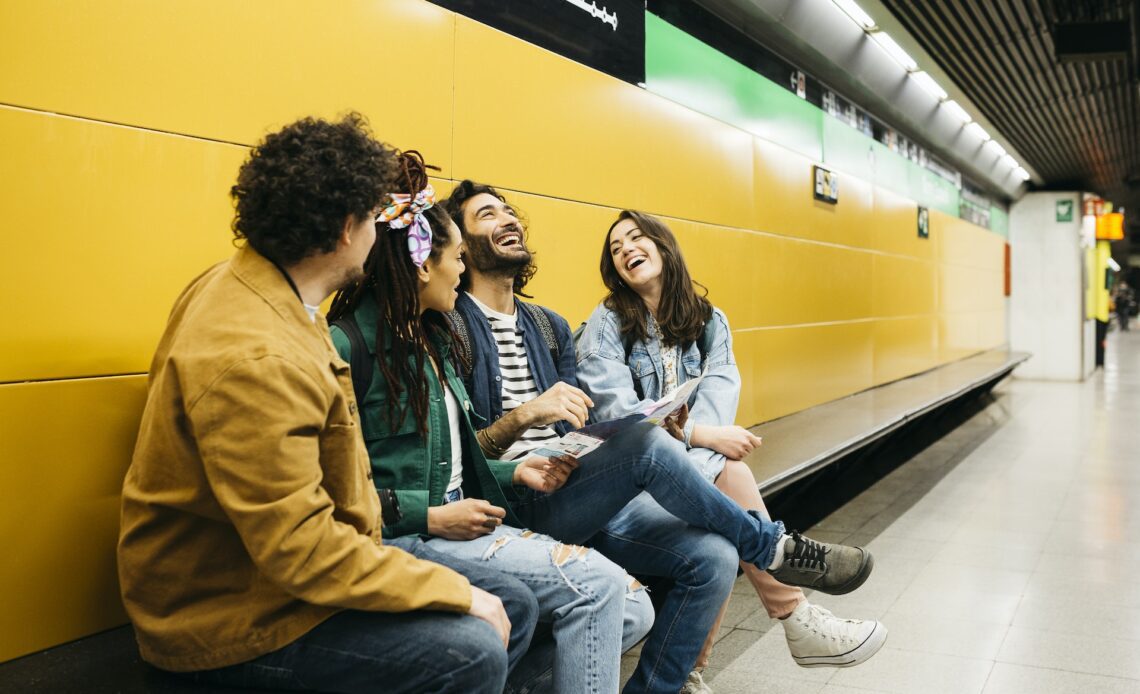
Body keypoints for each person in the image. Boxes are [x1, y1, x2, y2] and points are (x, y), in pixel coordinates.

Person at [117, 116, 539, 694]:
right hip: (230, 624)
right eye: (374, 217)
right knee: (469, 652)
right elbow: (303, 551)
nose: (383, 233)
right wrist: (457, 591)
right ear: (347, 229)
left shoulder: (257, 287)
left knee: (511, 600)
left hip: (280, 585)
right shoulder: (257, 356)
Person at [441, 180, 877, 694]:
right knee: (654, 444)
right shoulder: (449, 326)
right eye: (488, 214)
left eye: (509, 211)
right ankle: (774, 549)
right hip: (512, 496)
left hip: (578, 484)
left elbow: (586, 424)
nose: (508, 219)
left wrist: (588, 442)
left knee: (714, 558)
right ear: (461, 247)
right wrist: (524, 420)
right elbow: (456, 451)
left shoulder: (551, 325)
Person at [328, 151, 655, 693]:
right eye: (456, 257)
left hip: (469, 521)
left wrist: (516, 474)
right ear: (421, 263)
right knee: (600, 587)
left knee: (632, 607)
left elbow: (456, 459)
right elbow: (339, 495)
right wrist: (432, 515)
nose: (462, 268)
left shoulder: (432, 338)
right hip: (414, 536)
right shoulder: (349, 344)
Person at [577, 210, 888, 693]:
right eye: (615, 249)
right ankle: (793, 614)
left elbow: (720, 405)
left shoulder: (708, 321)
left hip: (694, 472)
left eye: (635, 238)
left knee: (722, 512)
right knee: (730, 476)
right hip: (629, 483)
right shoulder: (606, 323)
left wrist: (698, 445)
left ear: (663, 245)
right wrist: (696, 437)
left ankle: (692, 674)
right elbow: (619, 418)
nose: (625, 250)